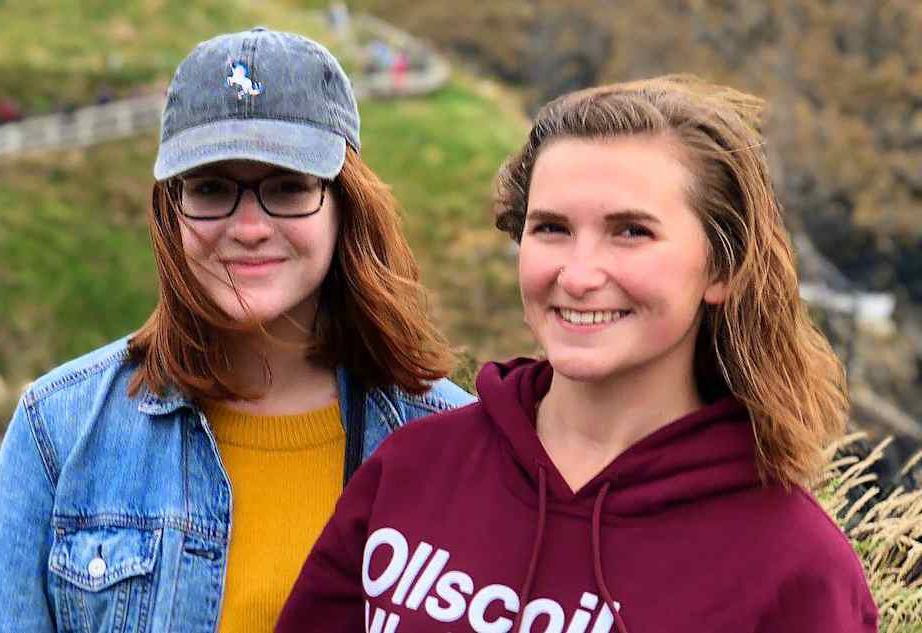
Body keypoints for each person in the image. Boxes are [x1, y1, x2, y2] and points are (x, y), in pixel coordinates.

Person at [278, 76, 878, 632]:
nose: (579, 273)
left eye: (631, 231)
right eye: (551, 228)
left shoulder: (794, 567)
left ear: (720, 268)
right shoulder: (412, 467)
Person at [0, 27, 473, 633]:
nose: (249, 227)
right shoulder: (61, 430)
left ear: (344, 204)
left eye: (288, 187)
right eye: (210, 189)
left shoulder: (455, 446)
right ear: (169, 208)